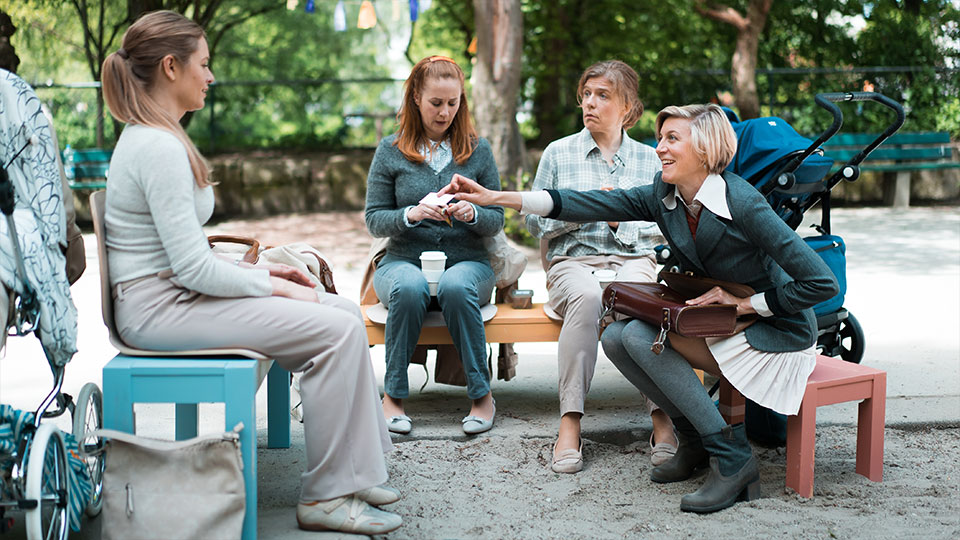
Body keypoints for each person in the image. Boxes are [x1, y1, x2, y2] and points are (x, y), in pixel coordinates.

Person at [442, 103, 838, 513]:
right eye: (659, 137)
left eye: (672, 139)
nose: (659, 148)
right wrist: (496, 197)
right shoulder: (665, 194)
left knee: (634, 333)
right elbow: (586, 202)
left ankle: (733, 458)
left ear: (704, 149)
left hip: (777, 331)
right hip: (722, 323)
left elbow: (820, 282)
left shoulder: (743, 201)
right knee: (614, 335)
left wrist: (746, 303)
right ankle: (694, 438)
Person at [99, 11, 401, 534]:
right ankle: (326, 498)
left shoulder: (158, 136)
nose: (211, 76)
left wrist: (273, 279)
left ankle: (352, 471)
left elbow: (186, 258)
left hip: (172, 298)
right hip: (160, 312)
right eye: (204, 64)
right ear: (171, 67)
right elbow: (191, 269)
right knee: (330, 329)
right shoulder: (155, 146)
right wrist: (274, 283)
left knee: (343, 311)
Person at [526, 60, 676, 473]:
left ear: (628, 107)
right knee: (591, 297)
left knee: (639, 302)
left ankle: (662, 417)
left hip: (633, 260)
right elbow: (533, 221)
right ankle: (570, 421)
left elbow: (663, 233)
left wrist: (618, 222)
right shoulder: (559, 153)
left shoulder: (652, 160)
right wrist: (584, 209)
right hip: (572, 262)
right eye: (587, 94)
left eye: (603, 95)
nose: (590, 103)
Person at [365, 55, 503, 436]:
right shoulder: (390, 150)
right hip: (402, 261)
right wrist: (412, 213)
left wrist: (471, 214)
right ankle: (392, 396)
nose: (445, 113)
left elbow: (497, 219)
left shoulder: (479, 150)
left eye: (453, 103)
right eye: (436, 103)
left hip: (469, 263)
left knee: (457, 287)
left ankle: (481, 396)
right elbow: (374, 219)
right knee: (408, 289)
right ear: (415, 99)